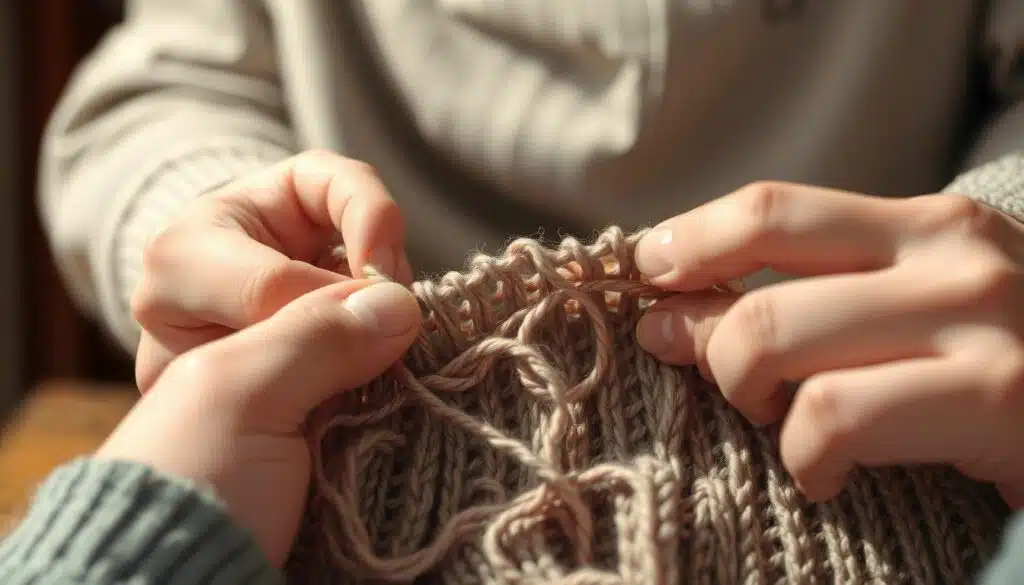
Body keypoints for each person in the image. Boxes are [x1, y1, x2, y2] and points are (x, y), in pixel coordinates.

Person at [6, 0, 1021, 581]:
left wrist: (1001, 230)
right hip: (355, 447)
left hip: (915, 421)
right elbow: (171, 77)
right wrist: (227, 224)